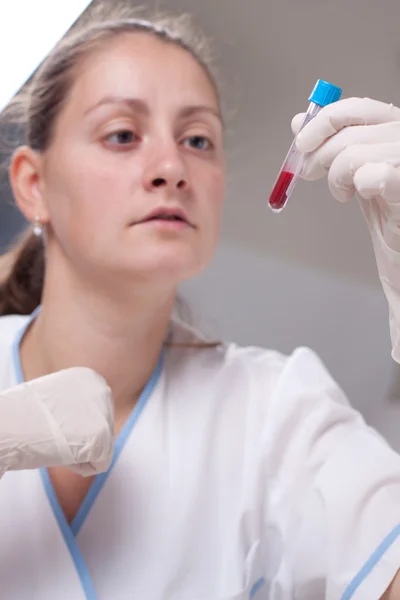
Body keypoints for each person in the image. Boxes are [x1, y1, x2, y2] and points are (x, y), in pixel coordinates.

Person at [1, 5, 400, 599]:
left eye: (197, 140)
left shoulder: (278, 412)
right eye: (122, 135)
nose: (171, 168)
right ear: (34, 185)